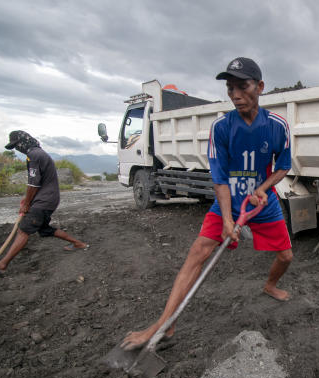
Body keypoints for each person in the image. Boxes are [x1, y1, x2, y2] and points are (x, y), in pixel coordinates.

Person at [121, 57, 293, 350]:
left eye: (243, 86)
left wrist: (263, 188)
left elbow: (284, 166)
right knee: (197, 253)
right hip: (229, 202)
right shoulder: (222, 128)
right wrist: (227, 218)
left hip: (262, 204)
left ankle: (270, 285)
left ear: (260, 87)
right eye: (230, 88)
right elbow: (220, 179)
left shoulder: (277, 126)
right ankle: (165, 325)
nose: (236, 95)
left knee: (286, 256)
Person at [0, 131, 88, 281]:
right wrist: (26, 199)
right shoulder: (37, 153)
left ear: (24, 141)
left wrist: (27, 204)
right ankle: (79, 243)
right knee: (44, 229)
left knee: (23, 230)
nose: (17, 149)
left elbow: (33, 183)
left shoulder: (34, 156)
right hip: (48, 199)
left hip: (44, 200)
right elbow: (34, 183)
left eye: (17, 145)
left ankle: (2, 265)